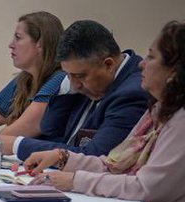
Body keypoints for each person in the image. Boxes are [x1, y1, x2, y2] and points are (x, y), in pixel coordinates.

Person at [25, 21, 185, 202]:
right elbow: (114, 163)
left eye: (153, 57)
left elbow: (144, 189)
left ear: (174, 72)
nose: (142, 63)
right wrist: (65, 159)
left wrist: (74, 180)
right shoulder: (158, 112)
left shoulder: (180, 120)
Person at [12, 19, 149, 160]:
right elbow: (50, 130)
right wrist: (65, 89)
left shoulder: (132, 93)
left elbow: (95, 156)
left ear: (108, 64)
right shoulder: (85, 83)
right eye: (68, 75)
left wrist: (17, 144)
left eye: (79, 76)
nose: (75, 84)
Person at [0, 12, 66, 153]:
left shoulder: (60, 80)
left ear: (40, 44)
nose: (10, 45)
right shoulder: (24, 79)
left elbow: (9, 136)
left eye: (18, 38)